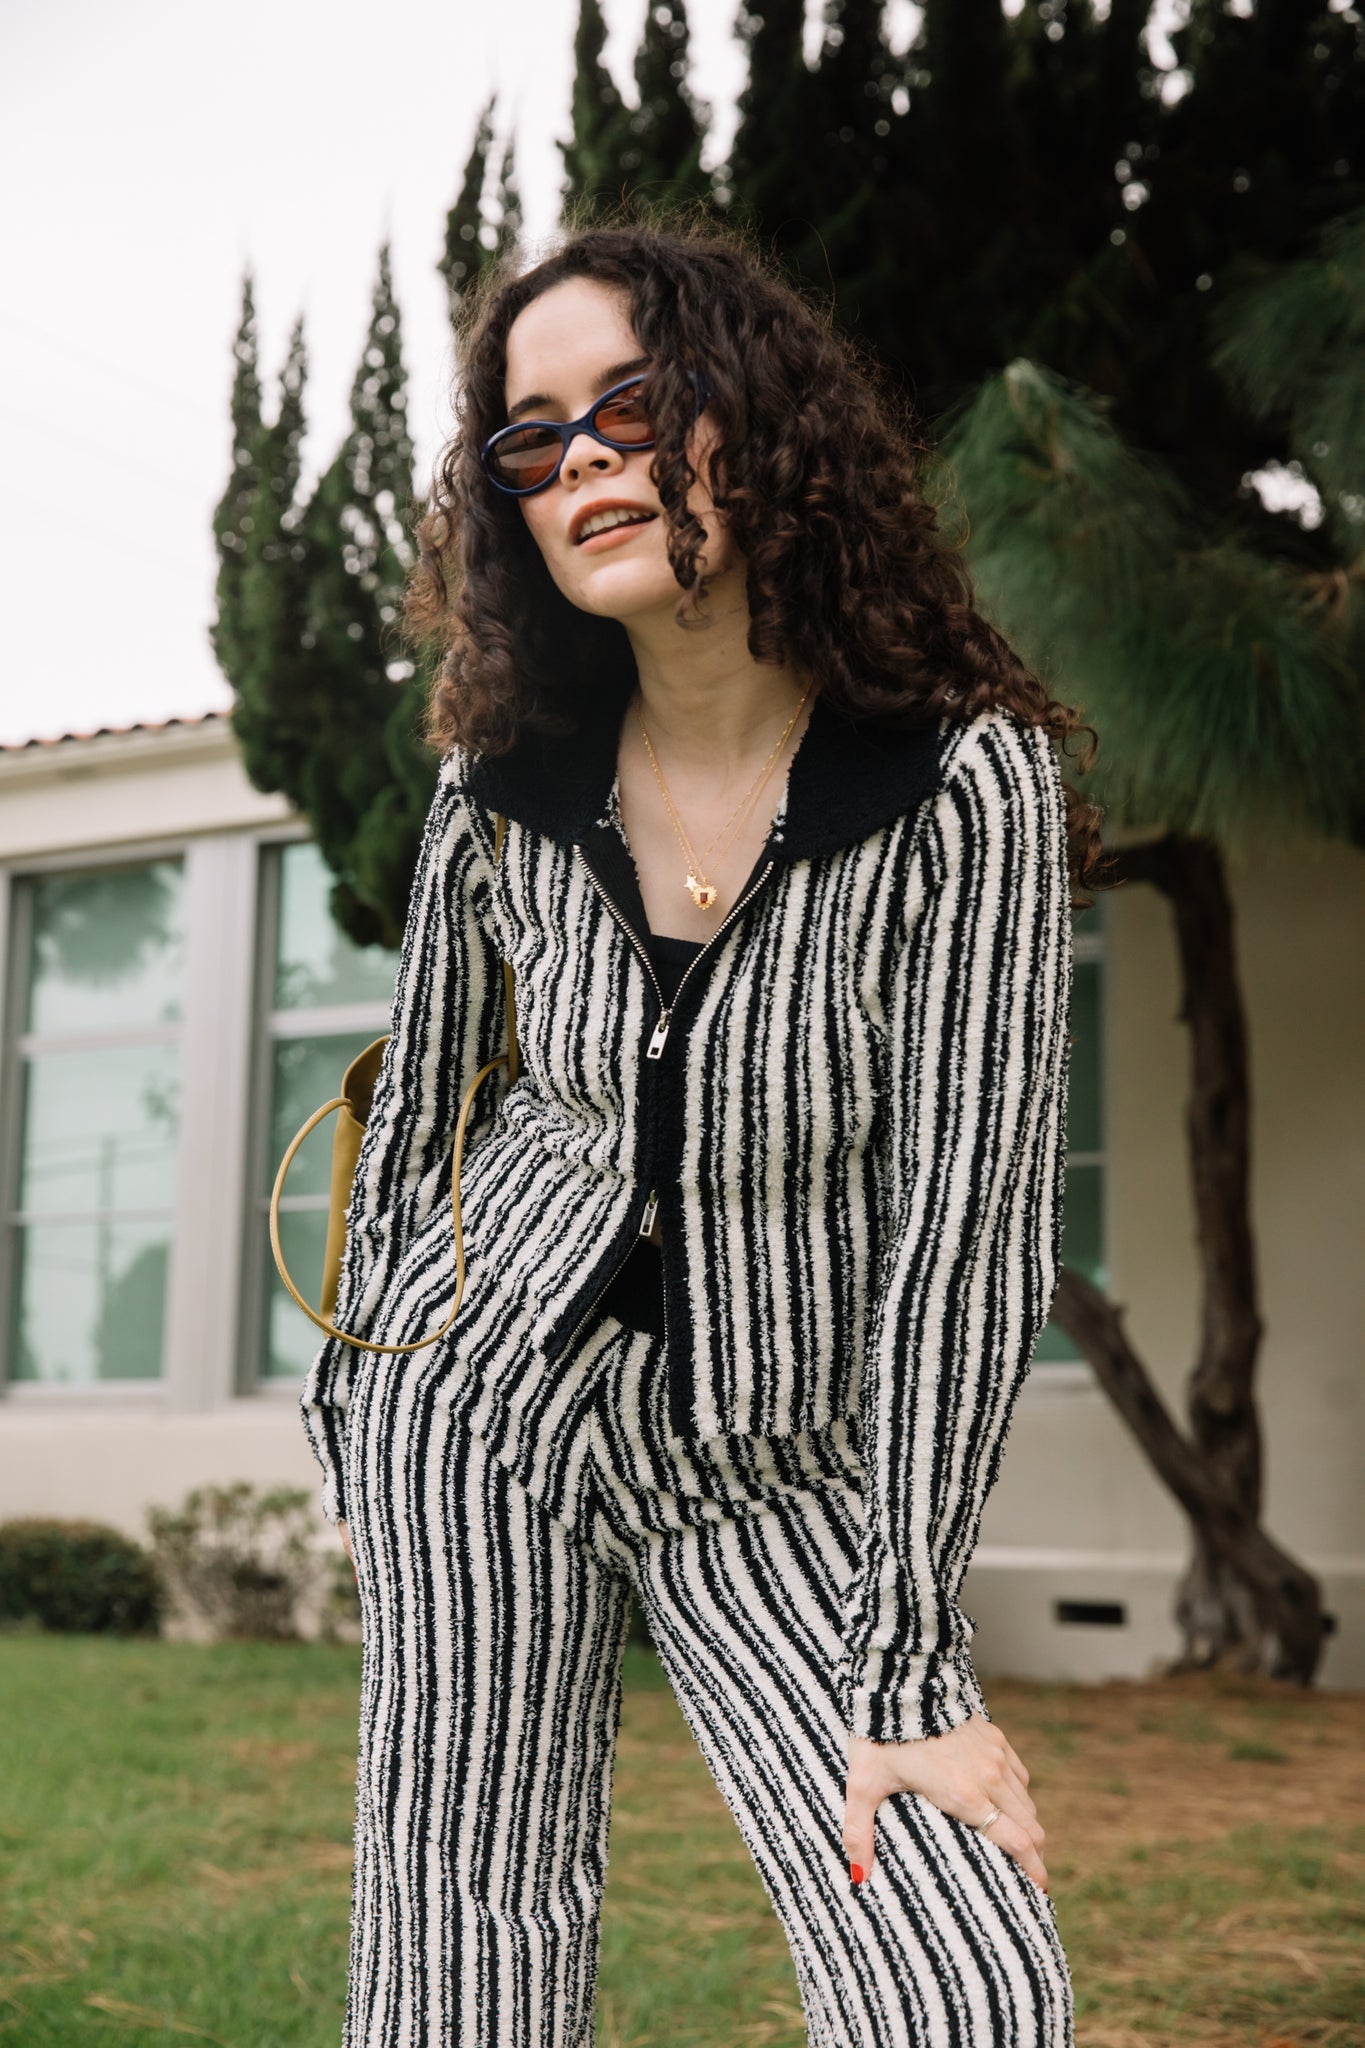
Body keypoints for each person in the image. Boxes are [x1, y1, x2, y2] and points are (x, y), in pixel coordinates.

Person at [300, 209, 1107, 2048]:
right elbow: (420, 1107)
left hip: (770, 1459)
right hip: (476, 1412)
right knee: (460, 1953)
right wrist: (363, 1397)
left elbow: (968, 1234)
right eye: (533, 438)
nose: (584, 460)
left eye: (633, 404)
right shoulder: (500, 781)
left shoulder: (954, 782)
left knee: (961, 1986)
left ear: (752, 413)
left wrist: (908, 1660)